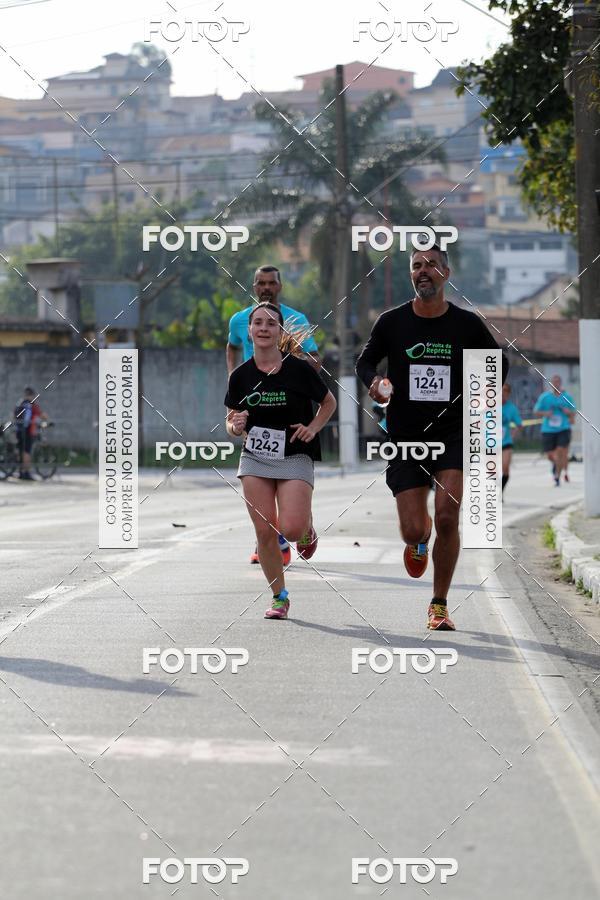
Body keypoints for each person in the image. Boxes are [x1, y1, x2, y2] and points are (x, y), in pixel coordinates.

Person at [356, 244, 508, 631]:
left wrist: (487, 389)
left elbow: (497, 362)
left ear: (446, 273)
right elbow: (365, 361)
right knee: (412, 528)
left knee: (448, 516)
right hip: (406, 436)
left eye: (432, 265)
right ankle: (419, 538)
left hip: (453, 433)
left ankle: (439, 604)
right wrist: (374, 382)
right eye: (417, 266)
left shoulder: (467, 324)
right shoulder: (391, 322)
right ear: (411, 274)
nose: (423, 270)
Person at [225, 302, 336, 620]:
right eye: (257, 323)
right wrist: (236, 426)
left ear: (280, 331)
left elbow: (328, 402)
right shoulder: (240, 376)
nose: (263, 328)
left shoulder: (298, 369)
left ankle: (306, 527)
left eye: (270, 323)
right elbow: (231, 421)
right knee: (265, 531)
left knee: (291, 529)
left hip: (295, 454)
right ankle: (279, 596)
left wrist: (313, 427)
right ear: (249, 331)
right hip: (255, 457)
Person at [227, 265, 322, 566]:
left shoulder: (295, 320)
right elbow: (232, 347)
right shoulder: (239, 319)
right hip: (254, 404)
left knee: (291, 508)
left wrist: (293, 371)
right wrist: (234, 377)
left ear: (279, 286)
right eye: (261, 283)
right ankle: (267, 540)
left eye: (271, 283)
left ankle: (300, 522)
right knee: (260, 483)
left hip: (288, 402)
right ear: (254, 287)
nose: (266, 288)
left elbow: (315, 358)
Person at [533, 374, 575, 487]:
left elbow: (574, 411)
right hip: (548, 429)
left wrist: (568, 412)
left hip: (563, 428)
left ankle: (557, 476)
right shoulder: (545, 397)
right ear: (551, 384)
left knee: (561, 451)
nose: (556, 384)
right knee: (550, 455)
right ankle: (556, 465)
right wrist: (545, 413)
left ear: (560, 383)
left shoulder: (566, 396)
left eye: (558, 382)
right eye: (554, 382)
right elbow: (536, 411)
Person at [14, 387, 47, 481]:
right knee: (27, 452)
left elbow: (13, 416)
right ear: (32, 395)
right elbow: (43, 416)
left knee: (20, 451)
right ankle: (26, 473)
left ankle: (20, 472)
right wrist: (47, 421)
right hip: (28, 431)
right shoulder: (32, 405)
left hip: (19, 430)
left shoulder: (20, 403)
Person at [501, 383, 522, 495]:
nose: (503, 393)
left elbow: (519, 424)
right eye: (501, 390)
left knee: (505, 467)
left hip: (506, 441)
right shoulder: (488, 405)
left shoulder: (511, 408)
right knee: (491, 471)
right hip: (490, 443)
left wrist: (513, 434)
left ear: (508, 394)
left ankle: (500, 491)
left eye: (505, 391)